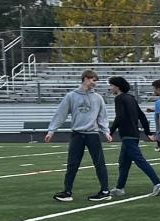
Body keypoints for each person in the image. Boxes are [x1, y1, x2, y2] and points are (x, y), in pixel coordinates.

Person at [44, 70, 112, 202]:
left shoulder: (98, 98)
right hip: (77, 135)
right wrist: (51, 130)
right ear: (86, 79)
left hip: (93, 135)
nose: (95, 83)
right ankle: (67, 191)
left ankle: (105, 191)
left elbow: (102, 116)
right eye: (93, 80)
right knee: (72, 164)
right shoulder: (71, 96)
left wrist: (106, 131)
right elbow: (61, 113)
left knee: (99, 163)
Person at [106, 76, 160, 196]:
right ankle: (120, 187)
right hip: (134, 133)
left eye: (112, 85)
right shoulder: (131, 98)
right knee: (124, 162)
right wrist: (148, 132)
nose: (111, 88)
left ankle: (158, 183)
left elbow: (119, 117)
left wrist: (110, 132)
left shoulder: (119, 98)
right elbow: (142, 116)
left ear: (117, 87)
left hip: (127, 133)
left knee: (139, 159)